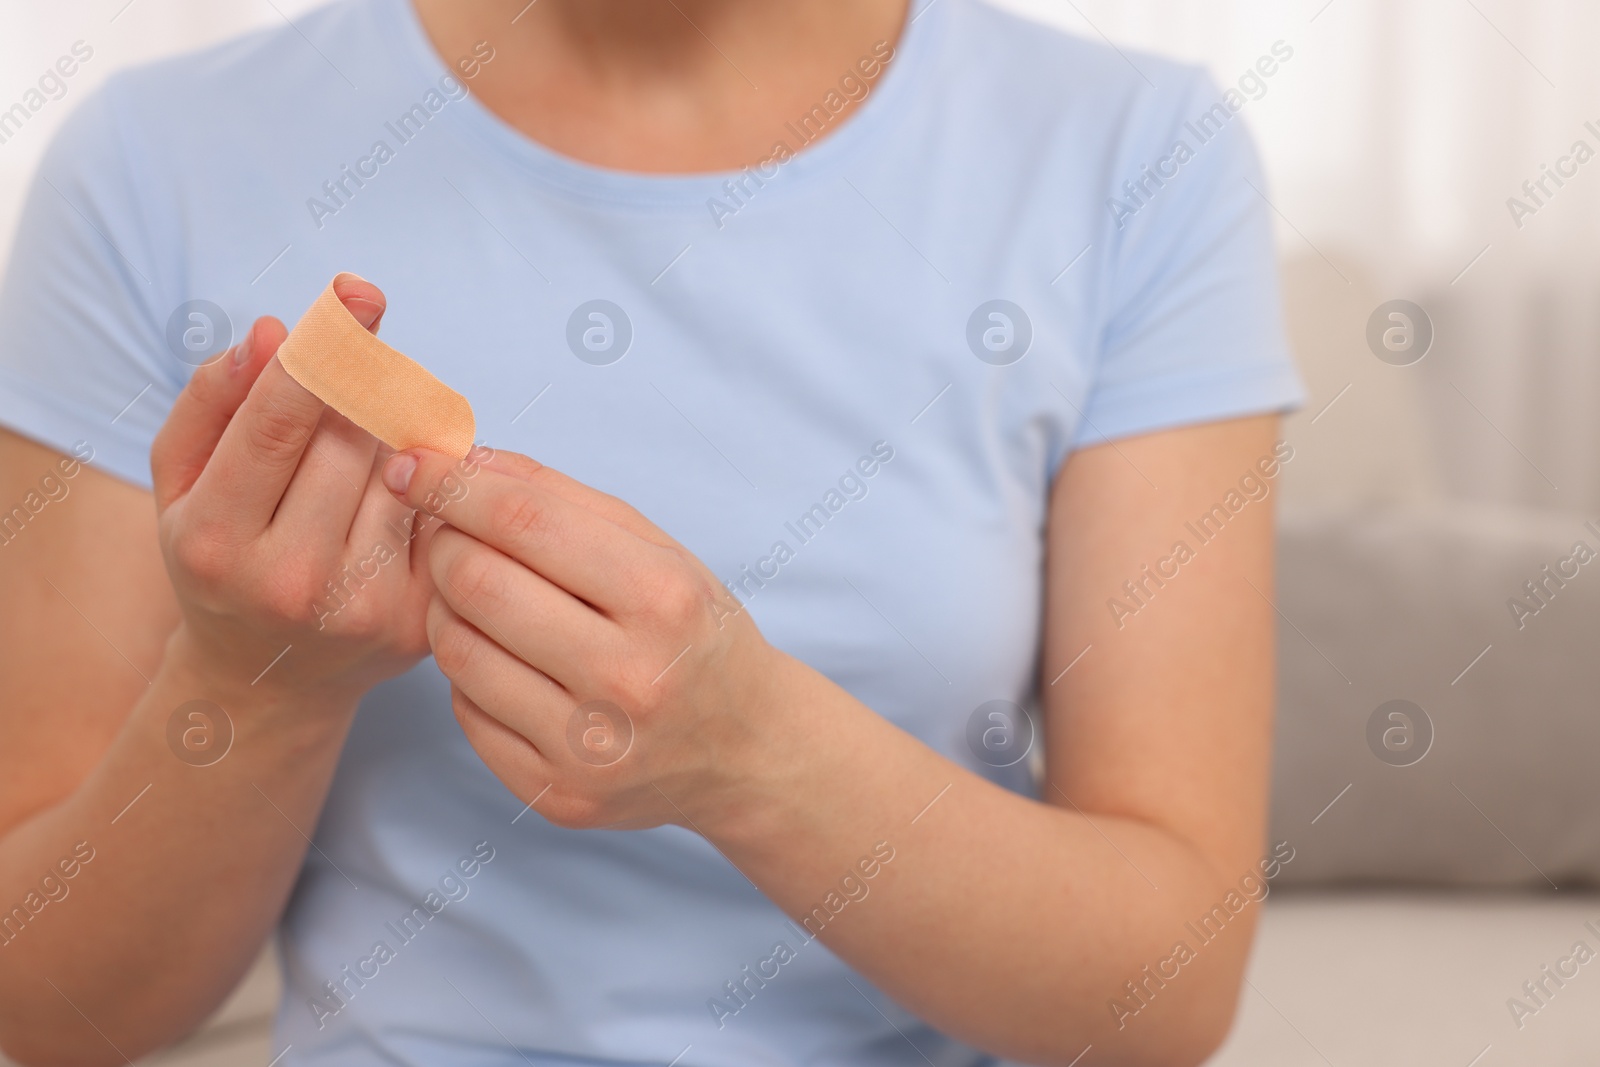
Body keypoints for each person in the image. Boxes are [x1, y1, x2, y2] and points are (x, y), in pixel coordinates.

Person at [0, 0, 1304, 1064]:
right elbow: (42, 1001)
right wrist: (253, 686)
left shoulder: (1139, 156)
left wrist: (752, 753)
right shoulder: (150, 164)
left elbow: (1169, 989)